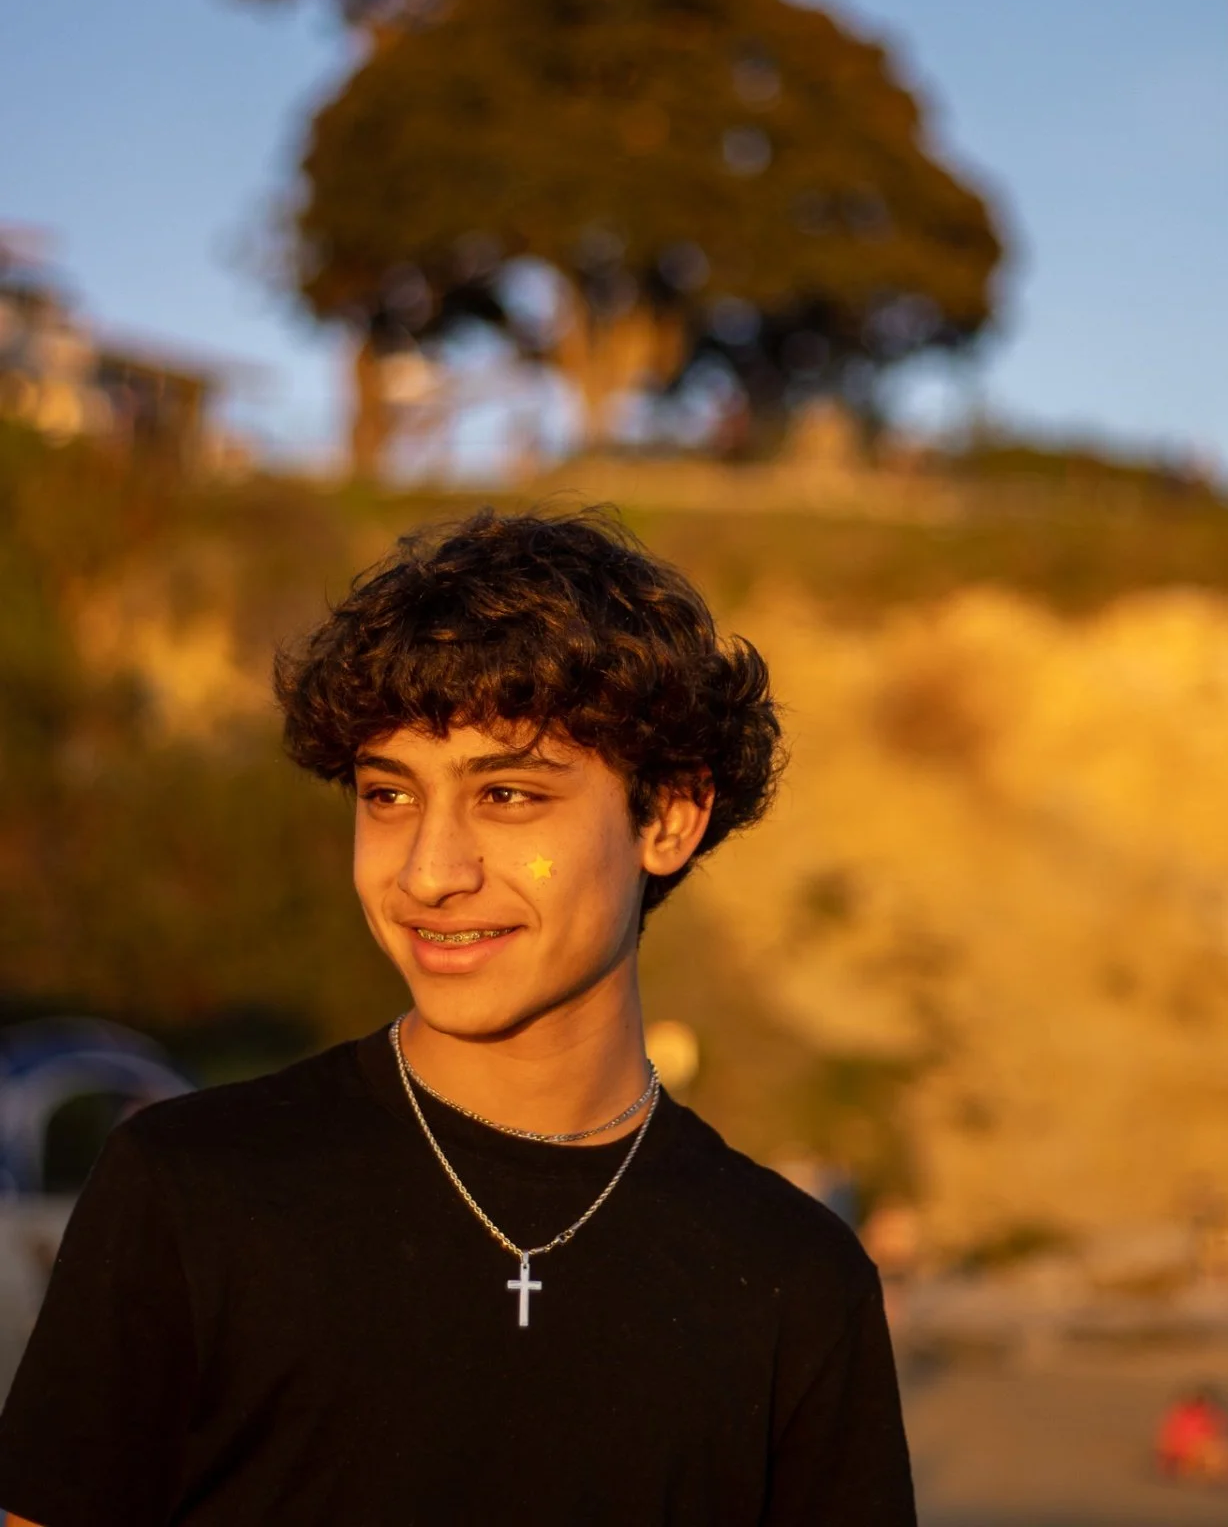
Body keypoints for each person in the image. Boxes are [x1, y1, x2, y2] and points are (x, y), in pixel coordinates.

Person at [0, 508, 916, 1526]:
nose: (430, 873)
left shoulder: (793, 1281)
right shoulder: (189, 1194)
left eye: (509, 795)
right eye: (388, 796)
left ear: (666, 817)